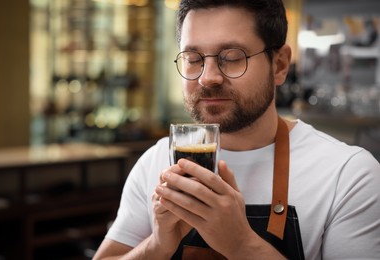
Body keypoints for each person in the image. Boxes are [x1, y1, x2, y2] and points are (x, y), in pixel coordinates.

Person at [94, 0, 380, 259]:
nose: (208, 78)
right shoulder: (156, 161)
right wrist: (156, 245)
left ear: (279, 65)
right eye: (193, 59)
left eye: (231, 57)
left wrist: (240, 244)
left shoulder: (349, 175)